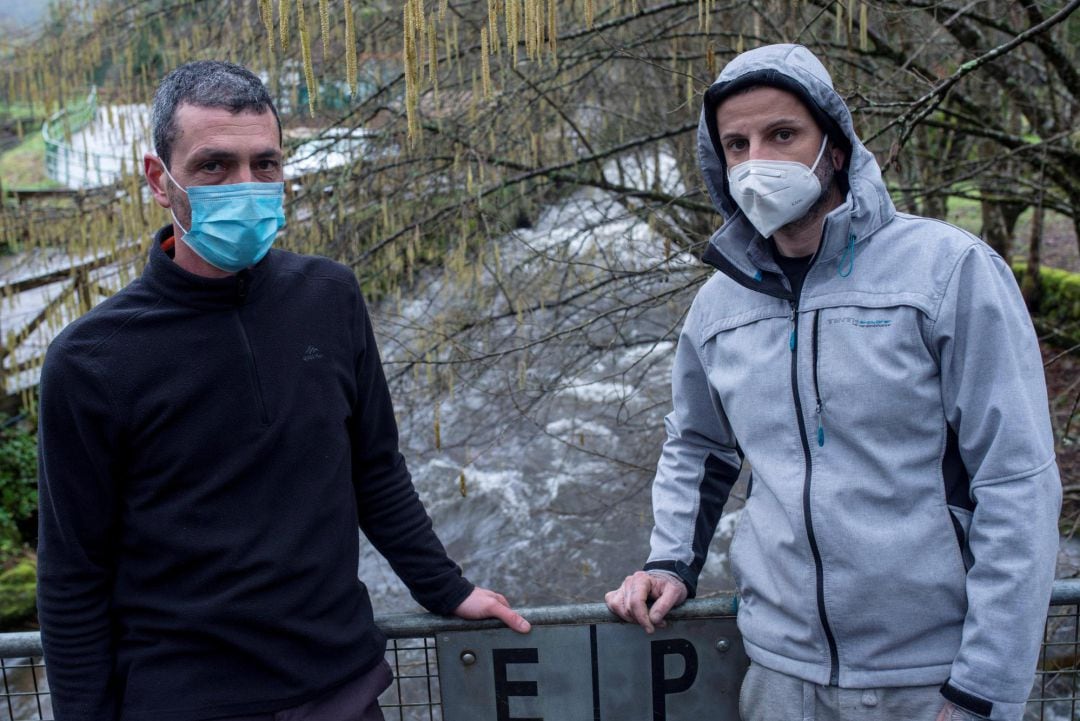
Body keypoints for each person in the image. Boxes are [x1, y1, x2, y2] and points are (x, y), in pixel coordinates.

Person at [36, 60, 530, 721]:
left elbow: (375, 469)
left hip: (343, 691)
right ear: (160, 179)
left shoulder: (330, 296)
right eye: (215, 165)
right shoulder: (89, 361)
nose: (246, 185)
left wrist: (448, 589)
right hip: (187, 704)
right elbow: (73, 578)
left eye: (264, 164)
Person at [605, 44, 1061, 721]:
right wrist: (670, 563)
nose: (757, 159)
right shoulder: (718, 308)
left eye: (781, 134)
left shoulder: (948, 272)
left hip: (930, 678)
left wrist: (983, 689)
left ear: (836, 148)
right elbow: (697, 446)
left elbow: (1017, 481)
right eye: (736, 143)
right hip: (779, 677)